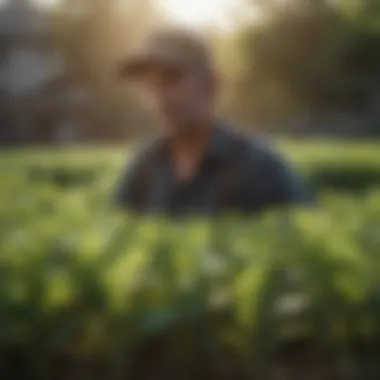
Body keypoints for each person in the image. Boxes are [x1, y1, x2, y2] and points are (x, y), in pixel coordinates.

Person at [114, 26, 312, 216]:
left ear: (211, 83)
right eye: (151, 85)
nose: (161, 97)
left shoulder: (261, 167)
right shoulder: (143, 167)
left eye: (172, 79)